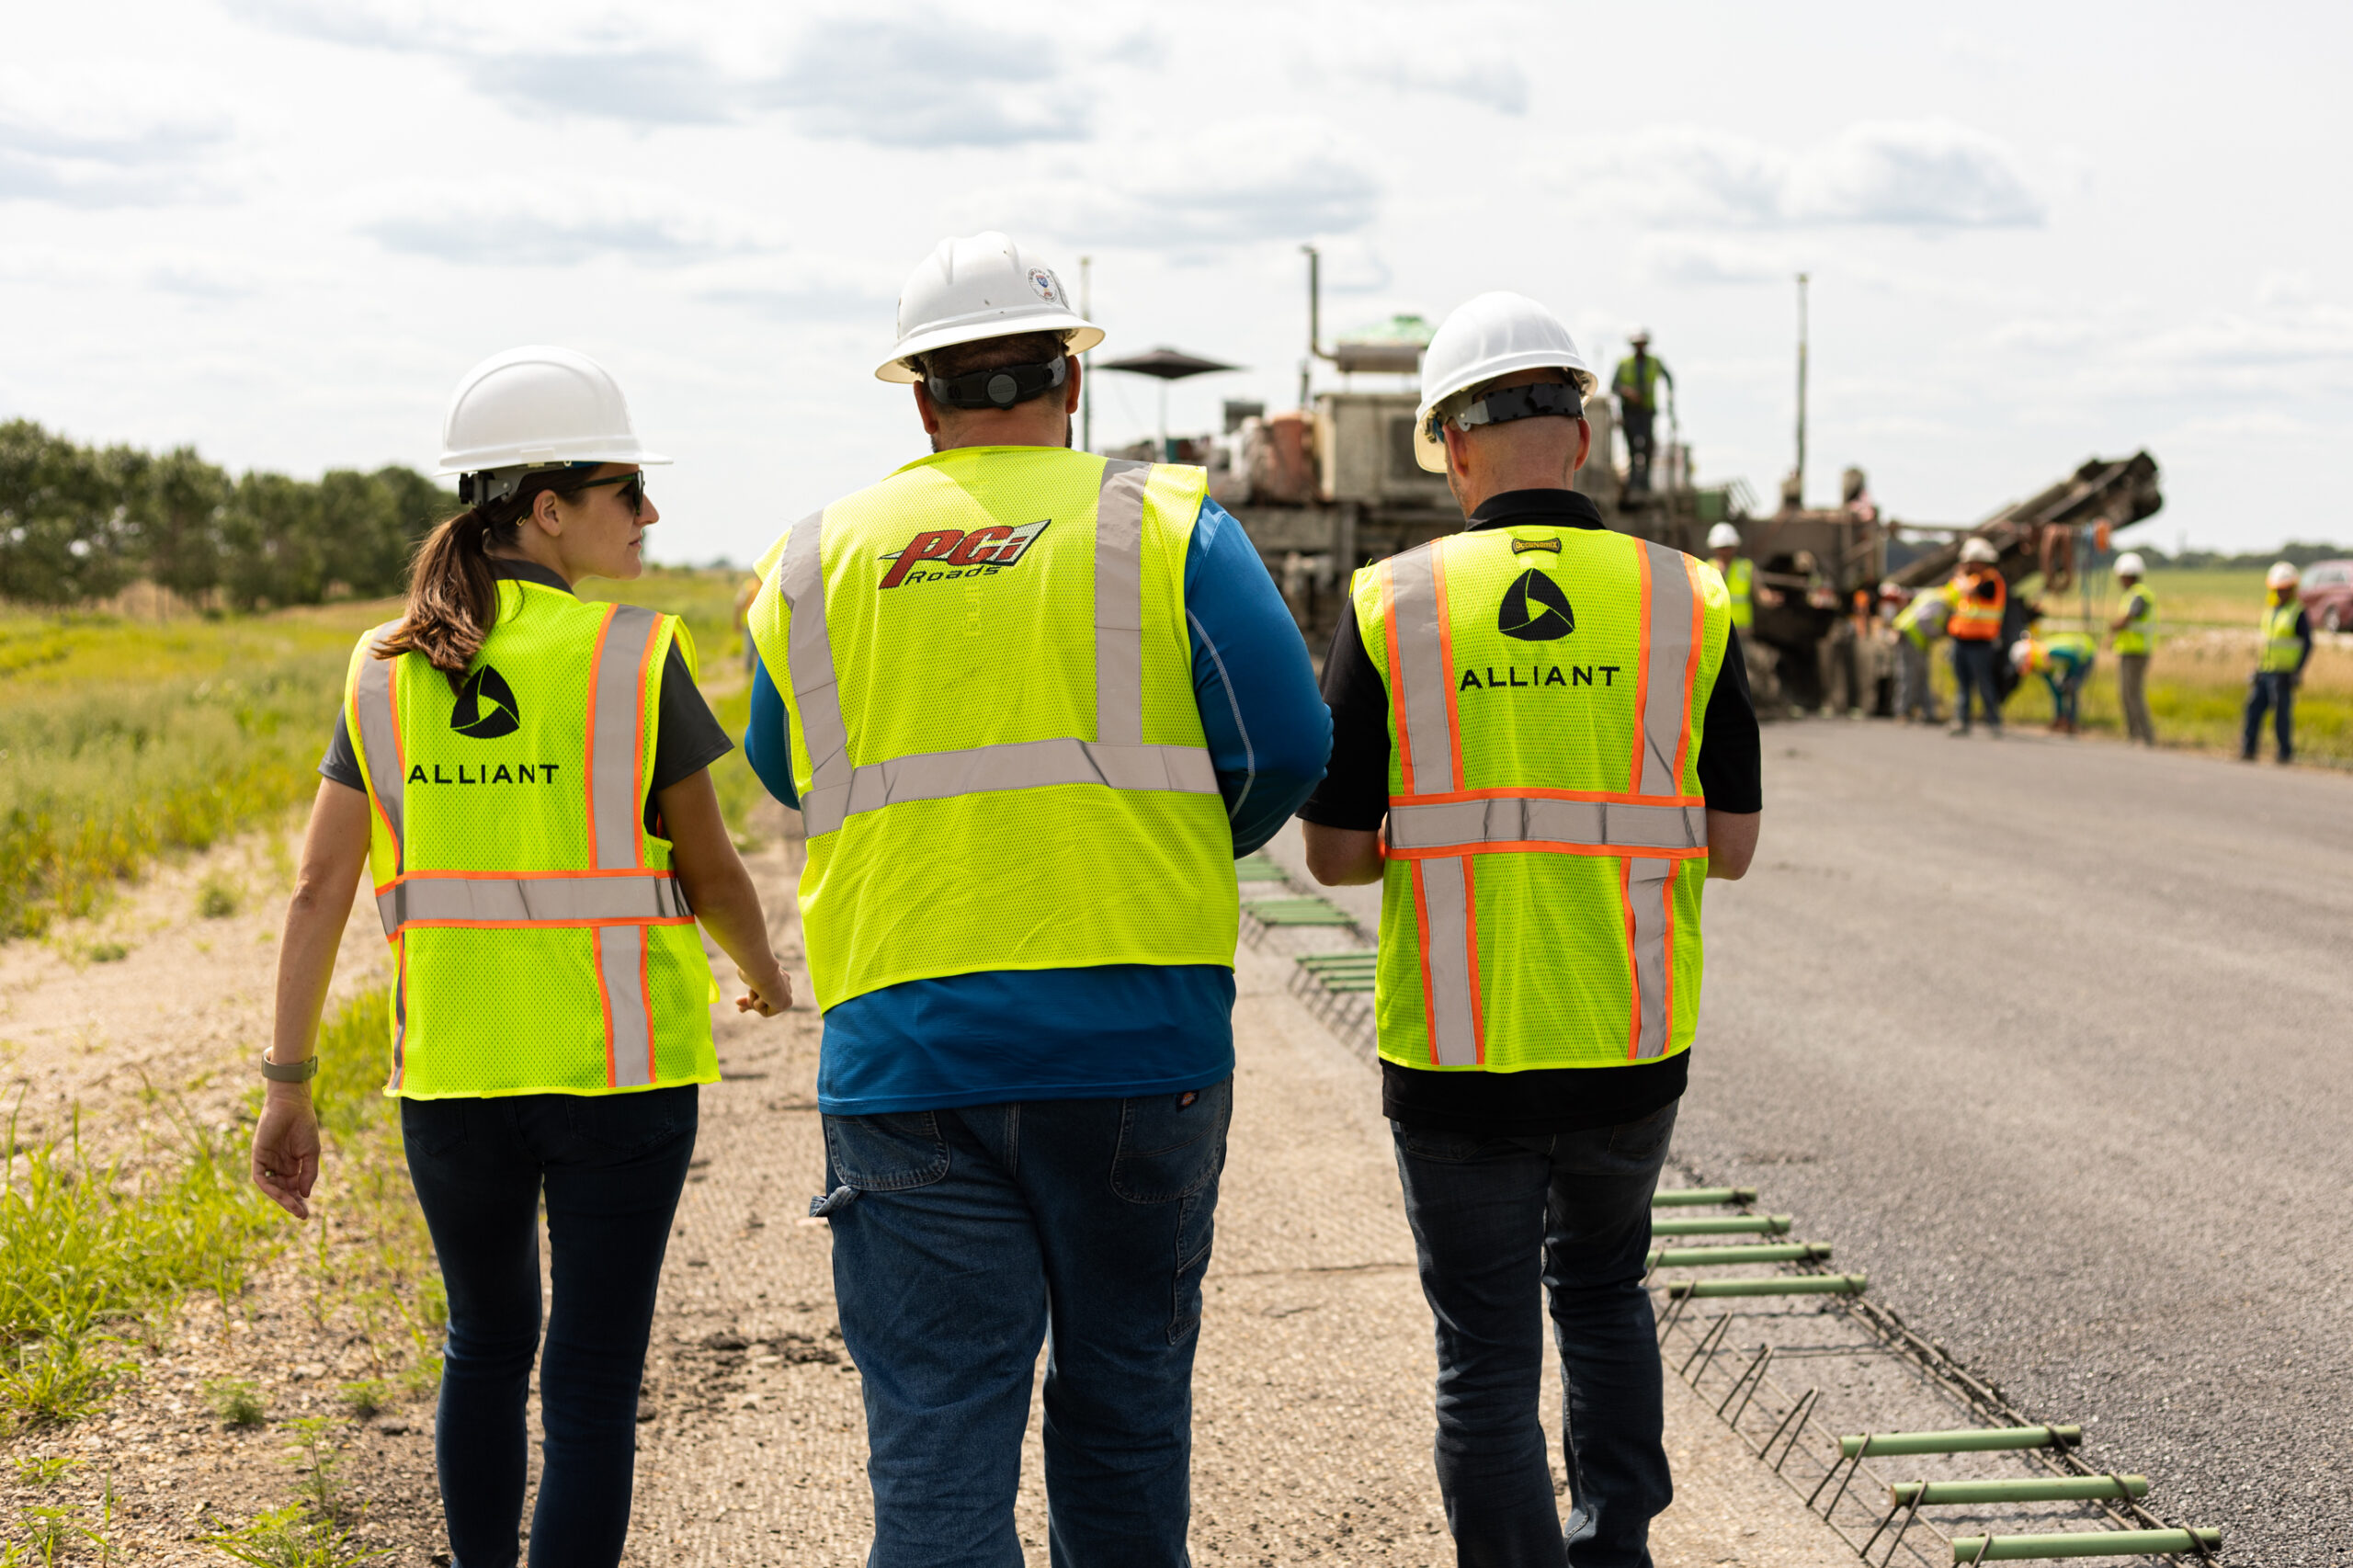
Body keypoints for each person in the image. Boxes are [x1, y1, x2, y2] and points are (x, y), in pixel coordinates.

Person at [740, 232, 1329, 1567]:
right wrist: (1162, 843)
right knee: (1123, 1413)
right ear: (1072, 378)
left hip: (905, 1045)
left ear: (919, 397)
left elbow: (792, 767)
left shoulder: (815, 557)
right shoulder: (1171, 525)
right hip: (1137, 1037)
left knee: (939, 1434)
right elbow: (1287, 745)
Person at [247, 347, 792, 1568]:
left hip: (455, 1075)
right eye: (627, 489)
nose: (648, 515)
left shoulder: (379, 667)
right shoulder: (633, 656)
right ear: (545, 508)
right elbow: (712, 871)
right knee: (592, 1382)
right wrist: (764, 970)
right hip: (622, 1076)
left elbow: (315, 887)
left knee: (485, 1347)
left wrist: (287, 1080)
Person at [1298, 290, 1762, 1567]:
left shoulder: (1394, 600)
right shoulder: (1689, 598)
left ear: (1447, 443)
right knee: (1606, 1293)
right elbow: (1730, 844)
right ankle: (1616, 1547)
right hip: (1627, 1034)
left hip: (1455, 1057)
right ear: (1585, 434)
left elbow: (1334, 851)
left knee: (1485, 1346)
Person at [2243, 561, 2313, 763]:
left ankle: (2284, 753)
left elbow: (2307, 644)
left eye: (2286, 589)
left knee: (2281, 715)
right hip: (2264, 671)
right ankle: (2248, 750)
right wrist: (2257, 667)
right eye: (2279, 589)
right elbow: (2267, 643)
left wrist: (2297, 671)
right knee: (2253, 709)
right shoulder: (2270, 611)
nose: (2283, 593)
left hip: (2284, 673)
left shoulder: (2297, 612)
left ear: (2293, 589)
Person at [1947, 537, 2007, 736]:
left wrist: (1960, 575)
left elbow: (1969, 590)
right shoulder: (1973, 580)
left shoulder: (1991, 580)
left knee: (1984, 684)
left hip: (1981, 642)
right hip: (1961, 639)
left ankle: (1993, 721)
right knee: (1963, 684)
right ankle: (1962, 720)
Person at [1610, 327, 1674, 495]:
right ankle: (1633, 482)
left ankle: (1645, 483)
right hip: (1629, 411)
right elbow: (1614, 386)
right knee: (1632, 447)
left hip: (1647, 411)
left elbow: (1668, 378)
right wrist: (1628, 392)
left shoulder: (1654, 362)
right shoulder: (1624, 364)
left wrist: (1670, 397)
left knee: (1647, 446)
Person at [2108, 551, 2158, 746]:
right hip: (2130, 650)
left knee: (2133, 694)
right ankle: (2133, 734)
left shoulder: (2139, 595)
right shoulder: (2133, 594)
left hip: (2135, 653)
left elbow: (2130, 617)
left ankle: (2144, 736)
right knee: (2127, 694)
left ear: (2128, 575)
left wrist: (2115, 626)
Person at [2011, 627, 2096, 733]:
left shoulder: (2050, 652)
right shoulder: (2041, 665)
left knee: (2071, 687)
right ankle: (2060, 718)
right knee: (2060, 687)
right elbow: (2055, 689)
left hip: (2084, 654)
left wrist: (2071, 677)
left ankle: (2072, 722)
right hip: (2070, 662)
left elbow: (2073, 657)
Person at [1892, 582, 1953, 723]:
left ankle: (1928, 712)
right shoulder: (1940, 601)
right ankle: (1902, 711)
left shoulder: (1933, 594)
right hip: (1911, 637)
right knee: (1908, 676)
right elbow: (1923, 621)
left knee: (1922, 676)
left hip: (1916, 639)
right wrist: (1937, 633)